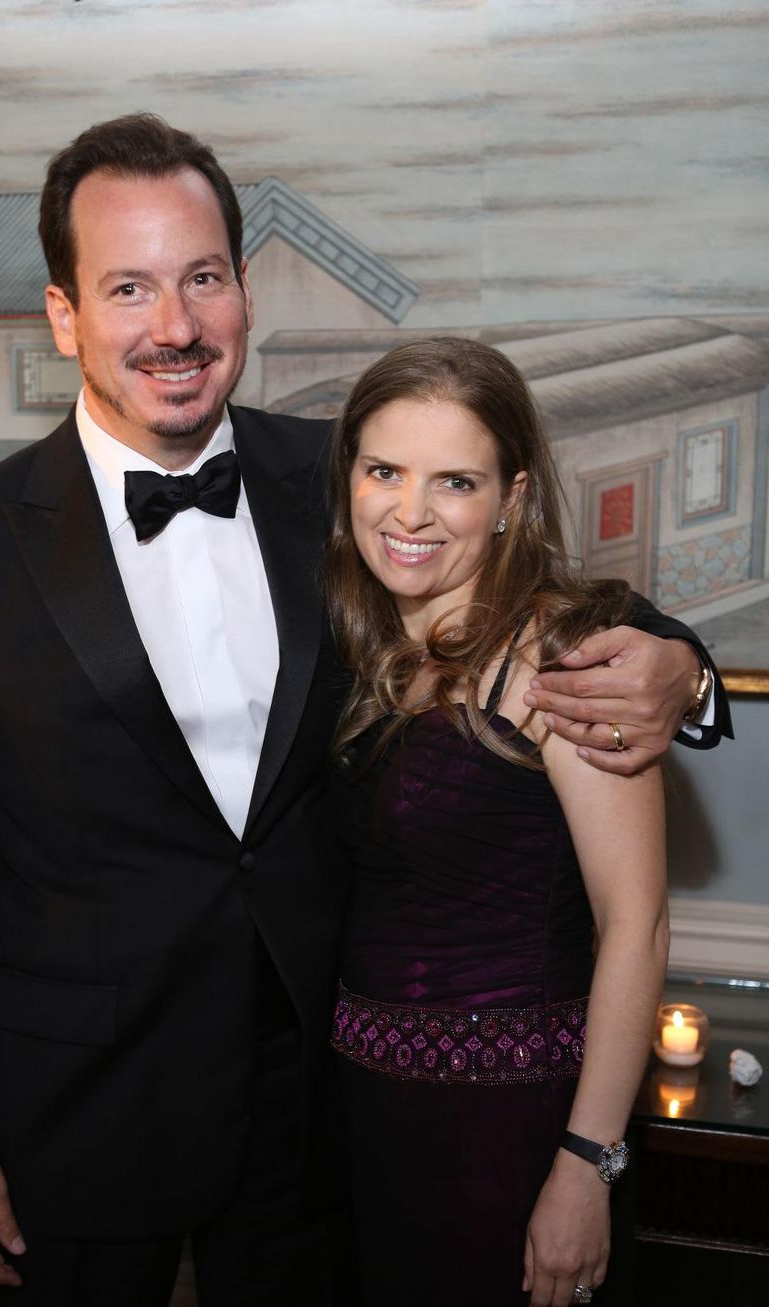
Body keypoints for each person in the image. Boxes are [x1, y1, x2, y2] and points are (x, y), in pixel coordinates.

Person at [0, 116, 725, 1307]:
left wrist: (687, 671)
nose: (174, 325)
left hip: (318, 1115)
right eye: (127, 287)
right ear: (62, 313)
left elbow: (546, 592)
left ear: (242, 291)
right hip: (74, 1119)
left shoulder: (337, 477)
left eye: (202, 277)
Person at [326, 337, 689, 1306]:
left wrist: (583, 1160)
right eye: (382, 471)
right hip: (365, 1119)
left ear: (511, 497)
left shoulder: (564, 661)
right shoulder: (356, 646)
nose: (408, 511)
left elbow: (636, 924)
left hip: (510, 1129)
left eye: (453, 480)